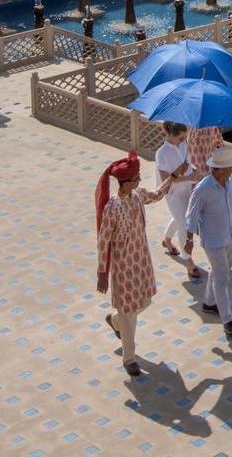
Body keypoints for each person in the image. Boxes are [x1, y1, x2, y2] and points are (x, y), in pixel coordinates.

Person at [96, 149, 174, 376]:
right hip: (123, 265)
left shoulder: (138, 195)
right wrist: (103, 271)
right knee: (129, 312)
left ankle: (116, 321)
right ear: (125, 182)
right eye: (136, 178)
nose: (139, 180)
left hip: (141, 259)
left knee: (144, 301)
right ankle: (128, 357)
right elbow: (103, 240)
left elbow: (157, 194)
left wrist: (173, 178)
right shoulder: (112, 207)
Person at [184, 146, 232, 338]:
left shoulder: (231, 180)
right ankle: (228, 319)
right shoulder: (203, 189)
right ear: (220, 169)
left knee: (217, 271)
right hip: (213, 240)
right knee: (222, 276)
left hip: (231, 236)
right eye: (231, 166)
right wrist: (189, 239)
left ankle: (209, 302)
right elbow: (191, 216)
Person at [155, 122, 203, 280]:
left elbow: (188, 163)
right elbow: (165, 180)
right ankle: (188, 260)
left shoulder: (184, 145)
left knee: (181, 216)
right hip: (173, 193)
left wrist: (194, 169)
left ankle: (167, 240)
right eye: (182, 137)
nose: (185, 140)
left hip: (187, 188)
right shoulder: (161, 153)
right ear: (173, 135)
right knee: (184, 224)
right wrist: (189, 177)